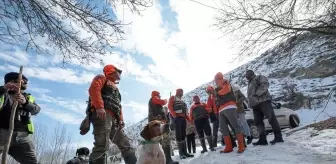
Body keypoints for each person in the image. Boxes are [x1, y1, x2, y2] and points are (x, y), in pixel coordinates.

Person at [88, 64, 137, 164]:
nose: (119, 74)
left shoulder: (116, 89)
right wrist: (99, 107)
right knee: (102, 145)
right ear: (111, 71)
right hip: (103, 115)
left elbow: (118, 106)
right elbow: (94, 89)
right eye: (118, 71)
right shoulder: (101, 78)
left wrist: (121, 119)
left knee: (125, 143)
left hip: (115, 120)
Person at [0, 72, 41, 163]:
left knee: (31, 161)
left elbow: (36, 110)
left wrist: (25, 102)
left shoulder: (27, 97)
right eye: (16, 81)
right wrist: (3, 89)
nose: (21, 84)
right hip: (2, 133)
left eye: (24, 82)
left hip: (22, 136)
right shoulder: (3, 93)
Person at [245, 70, 284, 145]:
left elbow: (265, 84)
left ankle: (278, 137)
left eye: (247, 74)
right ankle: (262, 140)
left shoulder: (259, 77)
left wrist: (257, 94)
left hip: (264, 101)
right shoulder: (249, 83)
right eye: (245, 75)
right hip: (255, 105)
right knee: (258, 122)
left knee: (271, 118)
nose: (246, 76)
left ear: (251, 73)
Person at [212, 72, 245, 153]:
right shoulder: (217, 87)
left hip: (229, 106)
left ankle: (241, 145)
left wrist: (218, 94)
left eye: (216, 79)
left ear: (218, 78)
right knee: (223, 128)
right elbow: (217, 100)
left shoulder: (224, 81)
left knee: (235, 126)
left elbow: (226, 89)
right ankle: (228, 146)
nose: (215, 81)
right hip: (221, 109)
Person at [148, 91, 178, 164]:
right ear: (156, 94)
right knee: (165, 140)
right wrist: (166, 100)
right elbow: (163, 102)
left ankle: (164, 161)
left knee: (161, 141)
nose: (160, 96)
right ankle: (168, 160)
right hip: (157, 123)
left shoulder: (153, 102)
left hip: (157, 124)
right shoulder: (154, 98)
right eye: (159, 95)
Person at [168, 88, 194, 159]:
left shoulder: (182, 102)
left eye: (182, 92)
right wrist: (174, 115)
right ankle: (181, 153)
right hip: (177, 118)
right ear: (177, 92)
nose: (182, 93)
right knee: (179, 135)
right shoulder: (173, 98)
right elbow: (170, 107)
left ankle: (185, 152)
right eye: (180, 91)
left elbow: (186, 113)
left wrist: (189, 120)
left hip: (183, 119)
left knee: (183, 135)